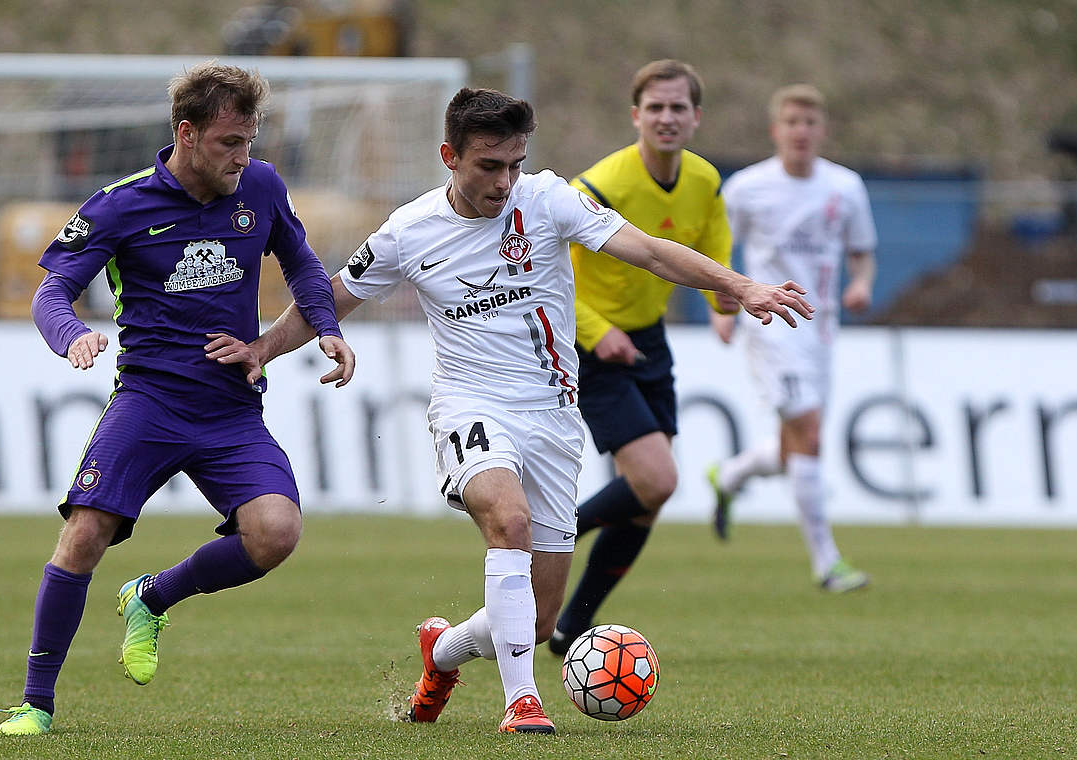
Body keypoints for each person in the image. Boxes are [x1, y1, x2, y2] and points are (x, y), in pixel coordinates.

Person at [216, 87, 813, 735]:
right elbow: (330, 297)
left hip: (554, 416)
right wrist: (261, 350)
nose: (504, 181)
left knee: (537, 620)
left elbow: (648, 250)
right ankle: (522, 702)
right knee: (509, 519)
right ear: (450, 156)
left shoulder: (550, 199)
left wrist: (741, 284)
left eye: (515, 164)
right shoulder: (409, 231)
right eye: (488, 166)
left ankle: (441, 653)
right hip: (470, 405)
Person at [0, 62, 355, 737]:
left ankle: (153, 597)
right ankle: (35, 705)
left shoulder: (264, 187)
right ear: (187, 134)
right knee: (84, 536)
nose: (243, 158)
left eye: (249, 141)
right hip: (149, 401)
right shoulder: (120, 204)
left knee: (277, 533)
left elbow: (303, 264)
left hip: (230, 407)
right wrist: (71, 334)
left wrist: (327, 330)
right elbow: (52, 292)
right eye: (229, 143)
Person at [548, 59, 736, 656]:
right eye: (655, 107)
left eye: (678, 107)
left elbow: (712, 245)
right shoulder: (596, 187)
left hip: (648, 339)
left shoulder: (704, 180)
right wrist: (596, 329)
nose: (666, 117)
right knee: (657, 479)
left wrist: (727, 300)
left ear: (696, 117)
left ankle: (572, 626)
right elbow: (548, 273)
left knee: (648, 501)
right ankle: (556, 534)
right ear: (635, 116)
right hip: (590, 343)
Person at [706, 83, 877, 593]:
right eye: (792, 122)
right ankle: (828, 563)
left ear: (822, 131)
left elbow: (862, 250)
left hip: (822, 332)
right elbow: (717, 248)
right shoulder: (746, 188)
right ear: (775, 130)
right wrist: (722, 307)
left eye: (810, 123)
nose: (801, 132)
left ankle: (732, 475)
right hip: (772, 327)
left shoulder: (845, 187)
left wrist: (863, 284)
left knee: (793, 448)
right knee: (811, 435)